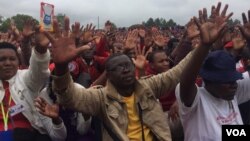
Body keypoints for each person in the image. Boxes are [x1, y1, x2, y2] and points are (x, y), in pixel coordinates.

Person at [44, 16, 193, 141]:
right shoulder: (100, 97)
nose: (126, 69)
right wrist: (62, 67)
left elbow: (177, 72)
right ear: (108, 75)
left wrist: (203, 45)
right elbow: (69, 97)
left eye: (128, 65)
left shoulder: (148, 86)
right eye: (119, 67)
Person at [175, 3, 250, 141]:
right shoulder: (196, 101)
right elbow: (186, 81)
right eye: (227, 81)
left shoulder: (232, 93)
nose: (234, 84)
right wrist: (205, 45)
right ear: (210, 80)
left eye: (234, 79)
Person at [0, 27, 66, 141]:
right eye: (2, 59)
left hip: (25, 135)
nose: (7, 63)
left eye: (12, 59)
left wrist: (40, 51)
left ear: (18, 62)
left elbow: (38, 72)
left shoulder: (25, 78)